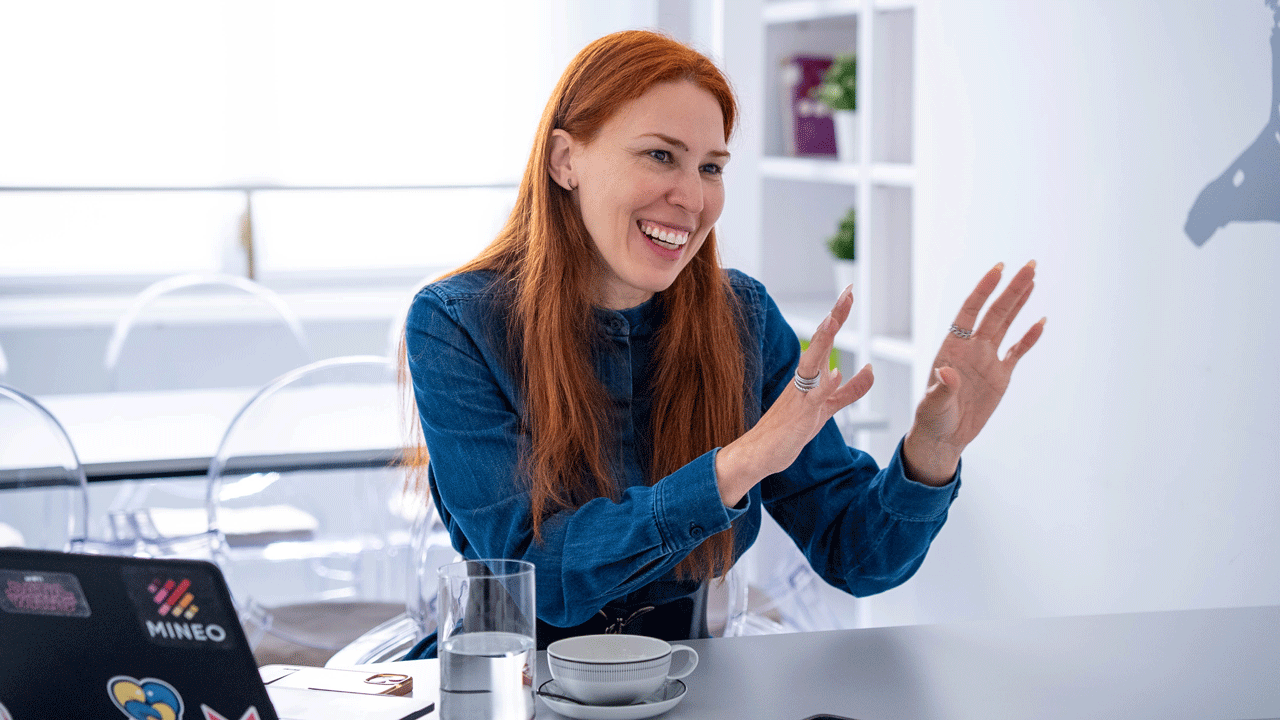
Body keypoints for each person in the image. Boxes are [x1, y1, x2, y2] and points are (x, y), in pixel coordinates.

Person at [401, 29, 1043, 657]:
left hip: (687, 687)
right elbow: (538, 576)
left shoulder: (743, 319)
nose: (692, 197)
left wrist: (931, 453)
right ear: (566, 160)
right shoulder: (457, 323)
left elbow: (858, 555)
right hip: (506, 688)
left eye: (711, 167)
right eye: (660, 155)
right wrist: (737, 465)